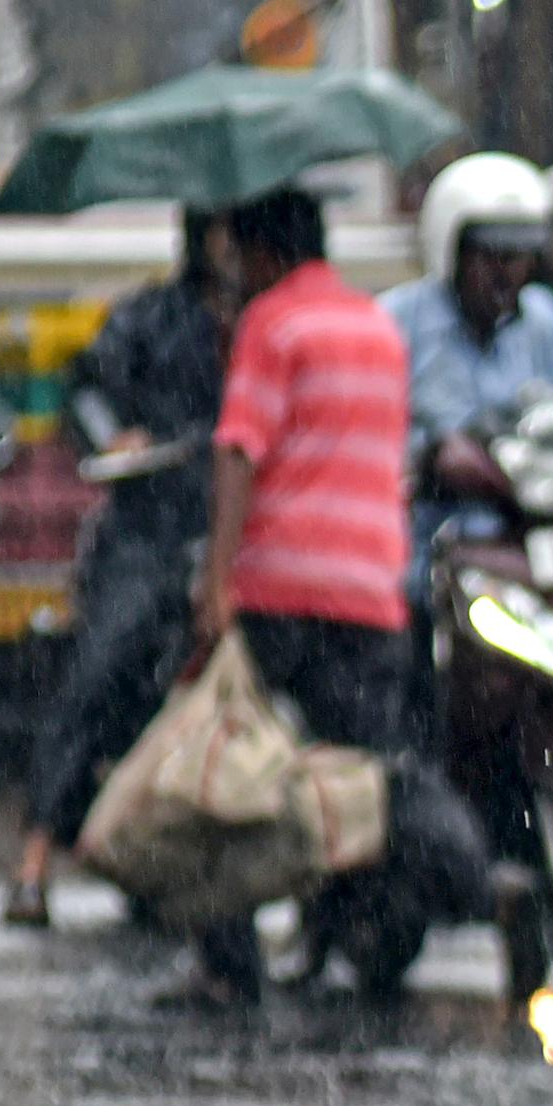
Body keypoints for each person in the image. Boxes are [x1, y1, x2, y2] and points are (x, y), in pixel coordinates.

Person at [182, 185, 426, 1007]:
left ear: (263, 254)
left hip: (283, 591)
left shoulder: (272, 323)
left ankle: (229, 959)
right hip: (372, 591)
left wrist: (218, 580)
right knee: (351, 777)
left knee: (237, 774)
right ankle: (346, 936)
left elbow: (240, 449)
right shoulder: (378, 327)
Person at [2, 204, 236, 926]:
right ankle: (33, 861)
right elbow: (86, 386)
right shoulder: (148, 317)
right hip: (148, 531)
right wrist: (118, 436)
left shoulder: (268, 325)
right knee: (96, 675)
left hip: (238, 534)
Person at [384, 151, 553, 476]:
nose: (505, 274)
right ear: (451, 251)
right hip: (430, 501)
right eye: (490, 256)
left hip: (540, 493)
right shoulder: (397, 321)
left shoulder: (543, 316)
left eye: (517, 256)